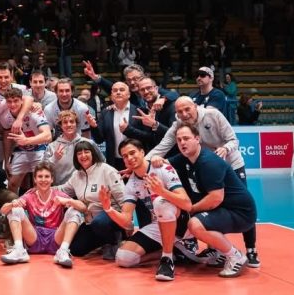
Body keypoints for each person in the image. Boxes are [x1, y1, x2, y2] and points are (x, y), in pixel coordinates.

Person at [146, 96, 260, 268]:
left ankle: (251, 250)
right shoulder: (179, 125)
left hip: (229, 162)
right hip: (204, 165)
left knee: (238, 203)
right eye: (179, 111)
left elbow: (233, 140)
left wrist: (225, 148)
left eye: (187, 109)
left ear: (195, 106)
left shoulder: (213, 115)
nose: (184, 114)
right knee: (210, 208)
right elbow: (163, 146)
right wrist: (143, 164)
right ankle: (216, 249)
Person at [169, 125, 258, 279]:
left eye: (186, 138)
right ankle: (219, 252)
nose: (182, 142)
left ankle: (235, 256)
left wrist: (190, 209)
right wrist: (150, 162)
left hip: (241, 213)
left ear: (197, 139)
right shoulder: (186, 158)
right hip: (225, 209)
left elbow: (216, 198)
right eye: (179, 140)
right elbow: (163, 163)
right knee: (193, 216)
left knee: (195, 224)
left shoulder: (208, 162)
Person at [107, 139, 191, 282]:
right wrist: (108, 208)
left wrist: (161, 191)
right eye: (125, 156)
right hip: (158, 222)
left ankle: (167, 260)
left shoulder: (162, 168)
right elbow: (126, 221)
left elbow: (187, 204)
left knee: (160, 203)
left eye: (132, 153)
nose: (129, 158)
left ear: (142, 152)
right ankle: (174, 252)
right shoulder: (131, 184)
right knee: (123, 258)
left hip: (181, 222)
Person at [52, 140, 126, 268]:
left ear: (93, 153)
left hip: (111, 216)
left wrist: (127, 223)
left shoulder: (107, 170)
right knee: (76, 249)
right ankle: (102, 240)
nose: (83, 155)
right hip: (90, 221)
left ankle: (114, 240)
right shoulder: (76, 175)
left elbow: (123, 199)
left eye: (86, 152)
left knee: (100, 223)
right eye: (79, 153)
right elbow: (63, 189)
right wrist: (43, 188)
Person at [0, 162, 71, 264]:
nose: (43, 180)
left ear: (52, 179)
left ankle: (63, 250)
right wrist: (13, 204)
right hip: (34, 238)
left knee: (74, 211)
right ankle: (19, 250)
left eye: (47, 176)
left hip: (56, 237)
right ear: (35, 179)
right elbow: (3, 210)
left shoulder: (59, 195)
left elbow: (83, 208)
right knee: (15, 209)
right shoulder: (29, 195)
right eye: (40, 176)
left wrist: (69, 201)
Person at [0, 88, 52, 193]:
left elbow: (48, 136)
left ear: (21, 100)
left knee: (39, 183)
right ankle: (14, 203)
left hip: (39, 148)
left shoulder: (34, 112)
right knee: (12, 183)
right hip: (21, 149)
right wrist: (7, 160)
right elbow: (7, 139)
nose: (12, 104)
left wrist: (26, 140)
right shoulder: (5, 117)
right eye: (9, 101)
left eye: (16, 101)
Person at [43, 110, 91, 185]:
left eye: (72, 122)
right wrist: (54, 158)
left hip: (84, 187)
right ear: (60, 126)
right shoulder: (52, 146)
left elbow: (100, 163)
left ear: (76, 124)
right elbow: (43, 169)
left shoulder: (88, 143)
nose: (69, 125)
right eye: (65, 122)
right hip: (60, 188)